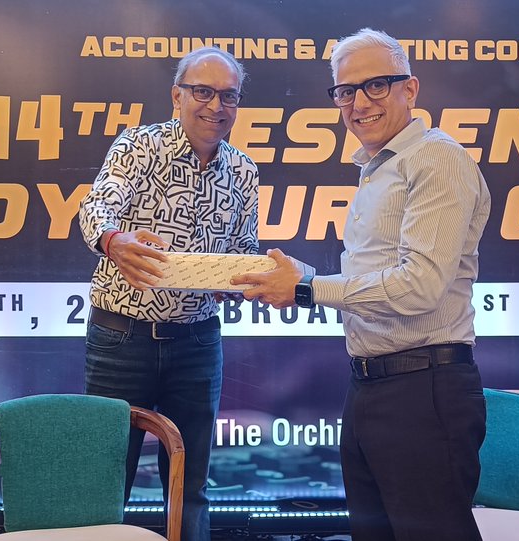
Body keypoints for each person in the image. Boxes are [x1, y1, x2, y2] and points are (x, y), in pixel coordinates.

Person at [232, 28, 490, 541]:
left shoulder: (435, 159)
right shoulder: (379, 169)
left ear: (410, 89)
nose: (359, 103)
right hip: (371, 387)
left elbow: (420, 286)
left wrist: (307, 289)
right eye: (346, 91)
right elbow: (373, 278)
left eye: (376, 85)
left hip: (423, 392)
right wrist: (298, 276)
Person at [77, 46, 257, 541]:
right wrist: (113, 241)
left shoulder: (244, 170)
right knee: (104, 481)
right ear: (177, 96)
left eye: (228, 96)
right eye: (203, 92)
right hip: (121, 339)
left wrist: (243, 279)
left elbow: (242, 248)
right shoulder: (139, 146)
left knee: (190, 485)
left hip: (197, 343)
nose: (216, 106)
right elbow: (95, 209)